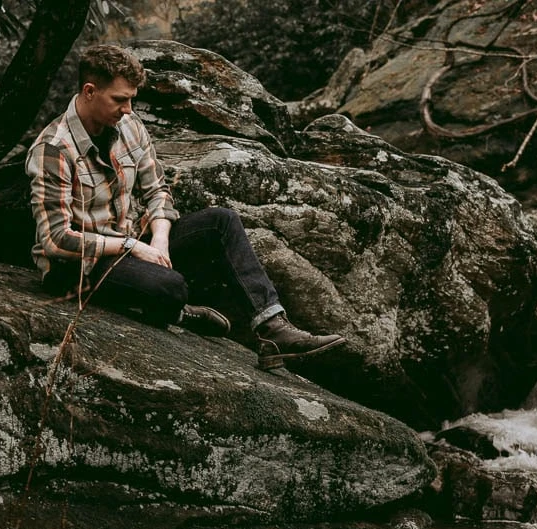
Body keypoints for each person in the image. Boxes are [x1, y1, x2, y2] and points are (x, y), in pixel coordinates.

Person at [26, 44, 345, 370]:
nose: (128, 109)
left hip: (132, 245)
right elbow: (56, 240)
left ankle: (273, 329)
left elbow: (158, 191)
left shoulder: (130, 126)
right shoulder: (54, 149)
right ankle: (179, 311)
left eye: (132, 98)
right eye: (120, 99)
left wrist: (160, 239)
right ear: (90, 91)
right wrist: (132, 246)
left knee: (221, 221)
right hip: (80, 267)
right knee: (170, 286)